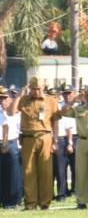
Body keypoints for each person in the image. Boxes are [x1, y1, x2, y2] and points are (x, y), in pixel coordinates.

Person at [16, 77, 60, 210]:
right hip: (28, 138)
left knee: (46, 171)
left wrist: (55, 141)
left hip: (45, 137)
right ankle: (30, 203)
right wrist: (19, 95)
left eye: (39, 89)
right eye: (34, 89)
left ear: (43, 88)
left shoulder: (51, 101)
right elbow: (11, 111)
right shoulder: (23, 100)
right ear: (29, 88)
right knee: (28, 171)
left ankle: (45, 203)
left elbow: (55, 122)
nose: (36, 91)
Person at [0, 86, 24, 209]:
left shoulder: (13, 111)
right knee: (3, 174)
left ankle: (13, 201)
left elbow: (6, 127)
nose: (2, 101)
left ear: (10, 99)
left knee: (13, 175)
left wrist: (5, 144)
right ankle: (4, 200)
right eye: (0, 98)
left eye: (5, 98)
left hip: (10, 143)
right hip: (3, 143)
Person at [53, 86, 76, 201]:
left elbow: (70, 126)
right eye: (65, 93)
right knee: (59, 168)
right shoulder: (59, 106)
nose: (67, 96)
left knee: (75, 166)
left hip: (73, 137)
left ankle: (74, 190)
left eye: (69, 93)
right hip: (59, 138)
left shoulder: (77, 106)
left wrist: (70, 142)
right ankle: (61, 192)